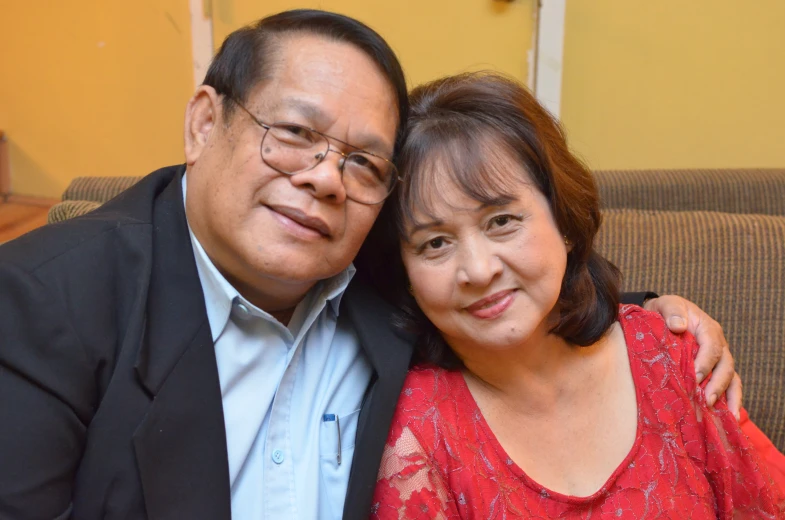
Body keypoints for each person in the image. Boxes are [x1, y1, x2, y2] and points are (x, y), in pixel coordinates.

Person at [0, 10, 738, 520]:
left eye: (361, 162)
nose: (325, 178)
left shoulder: (376, 284)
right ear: (203, 122)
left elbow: (503, 282)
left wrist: (651, 315)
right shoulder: (45, 300)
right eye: (294, 133)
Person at [368, 72, 785, 518]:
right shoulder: (411, 428)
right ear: (405, 271)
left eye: (502, 221)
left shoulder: (671, 355)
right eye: (435, 243)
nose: (478, 270)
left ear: (564, 221)